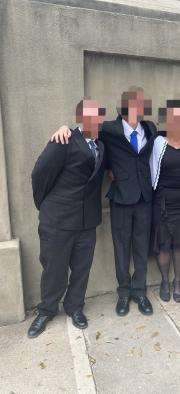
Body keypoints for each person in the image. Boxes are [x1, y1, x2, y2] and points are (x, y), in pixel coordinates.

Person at [50, 87, 157, 317]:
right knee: (121, 247)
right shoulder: (109, 128)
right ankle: (124, 293)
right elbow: (85, 131)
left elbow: (169, 138)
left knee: (141, 247)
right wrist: (64, 129)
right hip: (120, 198)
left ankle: (140, 292)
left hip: (144, 199)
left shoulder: (150, 127)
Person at [28, 99, 106, 338]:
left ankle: (75, 307)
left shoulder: (101, 146)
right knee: (54, 269)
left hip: (87, 222)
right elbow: (39, 173)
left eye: (99, 115)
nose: (97, 120)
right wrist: (46, 205)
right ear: (81, 117)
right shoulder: (63, 140)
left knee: (82, 268)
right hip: (58, 220)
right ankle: (46, 310)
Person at [150, 100, 180, 302]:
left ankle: (177, 282)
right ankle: (164, 282)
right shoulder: (157, 143)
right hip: (162, 202)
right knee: (164, 244)